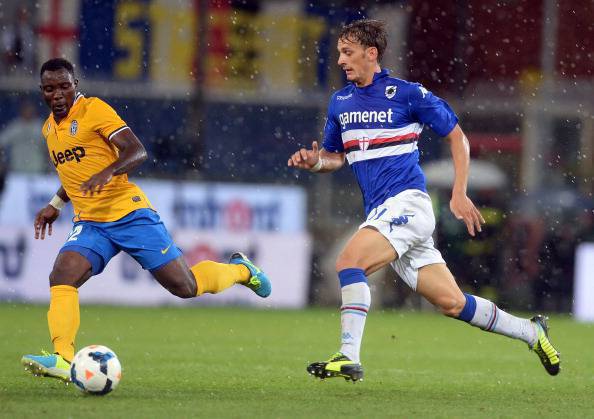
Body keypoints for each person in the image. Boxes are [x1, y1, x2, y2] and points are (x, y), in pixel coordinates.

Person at [288, 19, 560, 382]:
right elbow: (335, 157)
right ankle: (531, 331)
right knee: (453, 303)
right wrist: (315, 162)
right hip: (383, 213)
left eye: (348, 52)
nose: (340, 60)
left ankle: (348, 355)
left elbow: (457, 136)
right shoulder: (340, 102)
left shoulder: (407, 94)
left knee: (349, 262)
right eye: (339, 52)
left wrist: (459, 192)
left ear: (371, 54)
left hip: (407, 205)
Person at [21, 58, 271, 382]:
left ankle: (241, 270)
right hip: (91, 224)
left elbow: (136, 151)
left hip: (129, 214)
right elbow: (75, 173)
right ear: (41, 91)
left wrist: (108, 172)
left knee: (186, 287)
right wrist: (55, 203)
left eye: (64, 86)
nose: (57, 94)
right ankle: (63, 357)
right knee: (62, 276)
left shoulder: (94, 110)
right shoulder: (49, 129)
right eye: (50, 89)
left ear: (75, 85)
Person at [0, 101, 47, 174]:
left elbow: (52, 146)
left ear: (34, 110)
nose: (28, 111)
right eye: (25, 109)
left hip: (38, 171)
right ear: (21, 110)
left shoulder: (41, 127)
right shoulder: (14, 127)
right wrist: (2, 161)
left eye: (30, 108)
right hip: (16, 171)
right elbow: (1, 142)